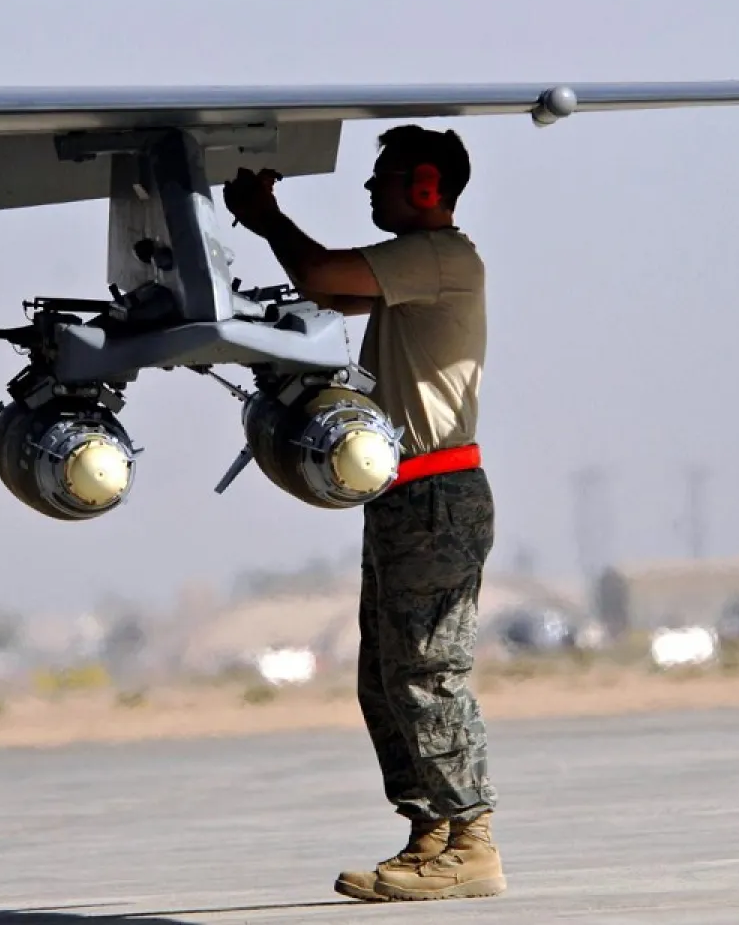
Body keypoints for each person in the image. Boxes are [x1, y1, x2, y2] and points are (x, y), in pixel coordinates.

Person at [221, 125, 503, 903]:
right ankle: (432, 837)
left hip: (435, 497)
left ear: (424, 188)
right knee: (386, 678)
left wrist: (265, 214)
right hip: (407, 499)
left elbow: (316, 271)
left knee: (424, 673)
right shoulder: (417, 268)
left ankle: (471, 841)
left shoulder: (440, 256)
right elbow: (328, 289)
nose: (371, 193)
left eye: (383, 181)